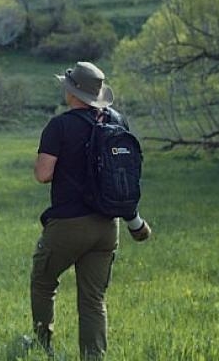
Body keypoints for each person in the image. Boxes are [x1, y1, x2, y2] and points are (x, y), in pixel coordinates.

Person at [30, 61, 151, 359]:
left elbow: (43, 174)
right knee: (93, 299)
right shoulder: (117, 120)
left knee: (43, 282)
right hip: (109, 226)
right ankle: (93, 356)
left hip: (69, 224)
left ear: (73, 93)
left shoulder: (60, 125)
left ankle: (43, 347)